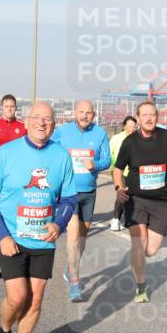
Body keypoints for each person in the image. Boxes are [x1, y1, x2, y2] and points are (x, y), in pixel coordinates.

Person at [0, 102, 77, 333]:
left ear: (54, 124)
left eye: (47, 119)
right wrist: (2, 236)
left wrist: (58, 224)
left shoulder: (62, 156)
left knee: (35, 299)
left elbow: (70, 199)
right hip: (11, 237)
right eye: (36, 118)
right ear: (26, 121)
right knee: (16, 297)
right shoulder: (7, 153)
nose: (42, 123)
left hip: (43, 239)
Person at [112, 101, 167, 303]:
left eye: (152, 114)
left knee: (151, 250)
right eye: (144, 115)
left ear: (157, 117)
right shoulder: (130, 142)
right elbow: (118, 170)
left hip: (161, 200)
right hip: (136, 199)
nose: (149, 118)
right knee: (138, 243)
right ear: (138, 118)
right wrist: (119, 189)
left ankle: (138, 258)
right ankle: (141, 285)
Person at [51, 99, 112, 301]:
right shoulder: (62, 132)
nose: (85, 115)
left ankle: (71, 268)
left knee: (82, 239)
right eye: (81, 112)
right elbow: (50, 152)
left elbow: (108, 160)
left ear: (93, 115)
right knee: (73, 234)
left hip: (89, 193)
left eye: (89, 113)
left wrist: (94, 164)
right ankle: (75, 285)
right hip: (68, 194)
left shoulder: (100, 133)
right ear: (75, 112)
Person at [109, 116, 138, 231]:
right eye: (129, 126)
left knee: (131, 196)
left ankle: (127, 220)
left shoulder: (138, 138)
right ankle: (116, 219)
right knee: (122, 194)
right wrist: (113, 170)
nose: (132, 129)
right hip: (119, 171)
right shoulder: (116, 138)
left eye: (134, 126)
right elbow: (110, 154)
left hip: (133, 172)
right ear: (124, 126)